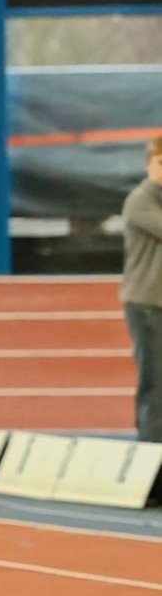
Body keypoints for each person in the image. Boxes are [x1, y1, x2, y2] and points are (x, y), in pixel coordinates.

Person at [121, 136, 162, 444]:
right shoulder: (140, 201)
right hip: (148, 304)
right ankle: (151, 451)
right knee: (155, 382)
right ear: (149, 164)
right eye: (161, 163)